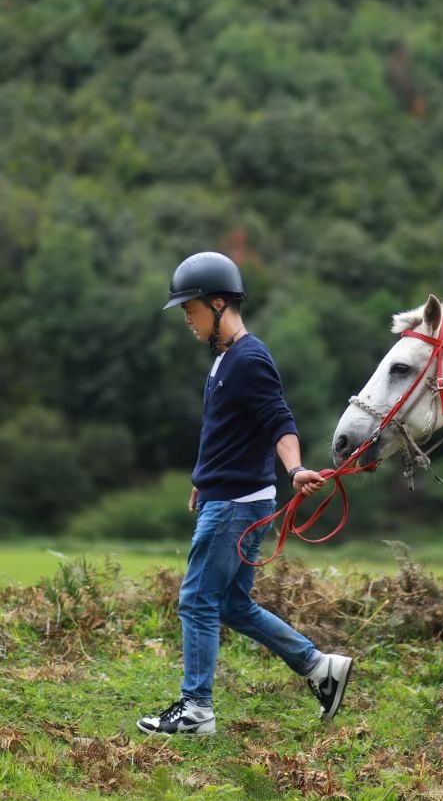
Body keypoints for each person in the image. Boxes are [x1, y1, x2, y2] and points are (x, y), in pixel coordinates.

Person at [136, 251, 354, 737]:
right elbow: (228, 431)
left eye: (190, 311)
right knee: (231, 604)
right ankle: (320, 668)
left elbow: (279, 420)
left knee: (196, 600)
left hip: (236, 506)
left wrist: (295, 468)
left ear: (217, 304)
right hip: (230, 496)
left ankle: (196, 710)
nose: (187, 321)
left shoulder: (249, 359)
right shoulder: (224, 360)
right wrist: (203, 478)